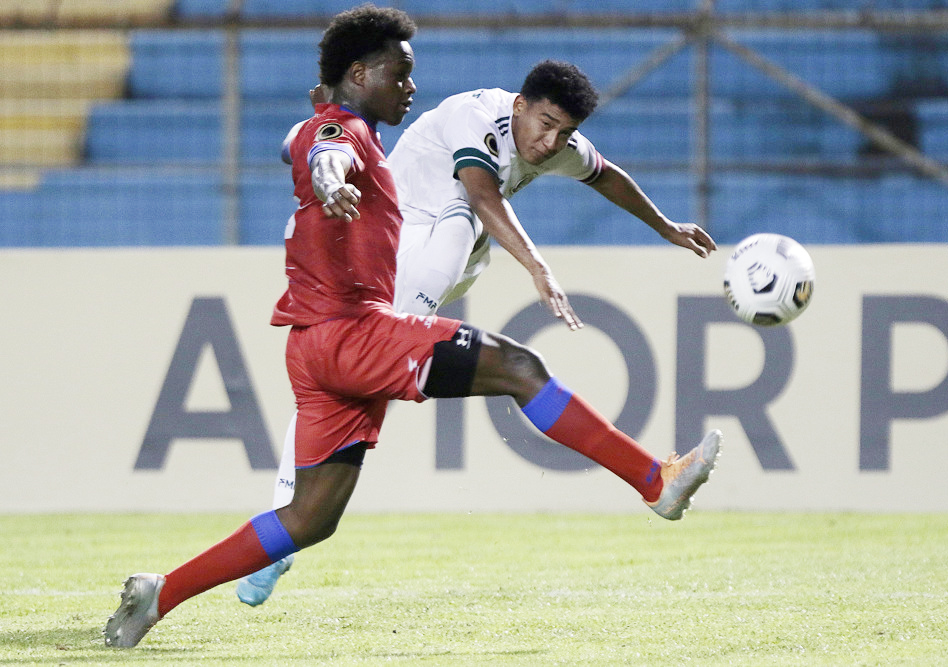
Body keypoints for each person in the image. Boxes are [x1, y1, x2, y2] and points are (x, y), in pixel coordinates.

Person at [103, 4, 721, 649]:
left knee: (311, 519)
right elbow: (332, 151)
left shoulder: (339, 127)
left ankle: (159, 594)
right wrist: (328, 170)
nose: (411, 87)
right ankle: (655, 480)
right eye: (401, 74)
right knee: (518, 366)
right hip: (357, 331)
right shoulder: (357, 132)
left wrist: (665, 228)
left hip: (313, 345)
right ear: (361, 73)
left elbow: (306, 140)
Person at [236, 60, 721, 606]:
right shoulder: (476, 116)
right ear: (519, 105)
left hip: (449, 257)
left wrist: (666, 226)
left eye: (564, 132)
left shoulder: (555, 139)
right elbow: (485, 196)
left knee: (356, 379)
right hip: (399, 242)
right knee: (457, 225)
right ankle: (282, 531)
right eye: (544, 124)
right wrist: (539, 267)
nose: (550, 141)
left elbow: (605, 174)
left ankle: (283, 528)